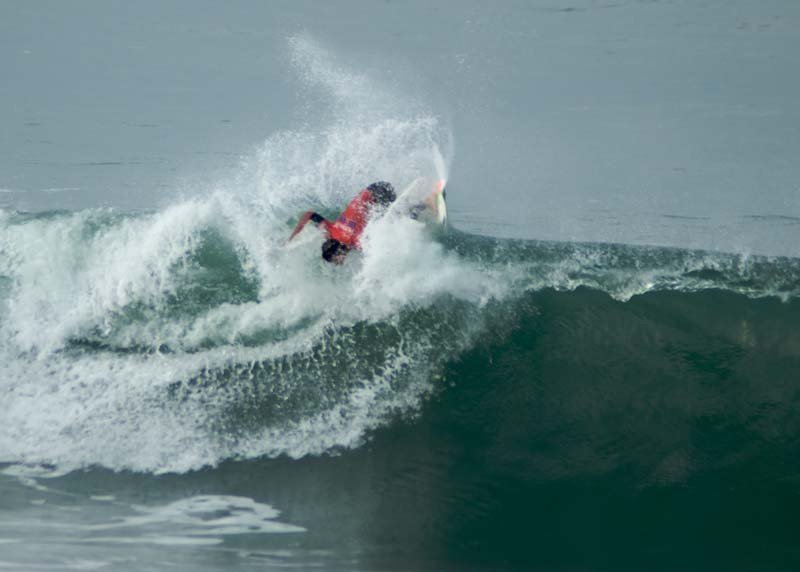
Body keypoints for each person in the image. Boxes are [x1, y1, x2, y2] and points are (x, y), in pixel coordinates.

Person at [287, 181, 397, 263]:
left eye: (337, 260)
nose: (338, 263)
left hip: (380, 194)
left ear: (338, 251)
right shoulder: (331, 230)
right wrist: (292, 237)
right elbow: (309, 214)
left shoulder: (356, 241)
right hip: (373, 188)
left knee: (393, 216)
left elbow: (373, 251)